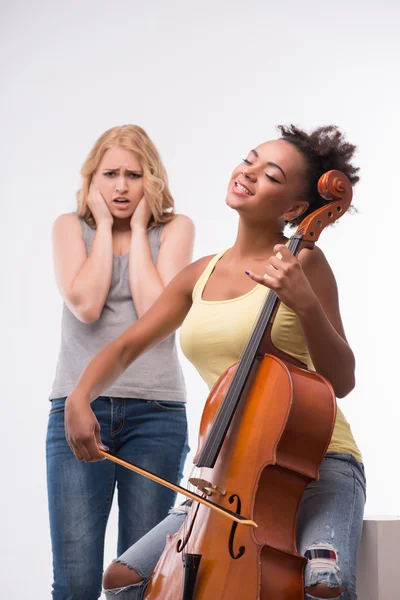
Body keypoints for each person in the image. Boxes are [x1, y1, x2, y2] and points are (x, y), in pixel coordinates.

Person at [65, 125, 365, 600]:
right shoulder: (197, 273)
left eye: (268, 174)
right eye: (249, 159)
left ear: (292, 209)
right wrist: (79, 397)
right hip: (226, 475)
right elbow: (125, 346)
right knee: (124, 581)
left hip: (316, 463)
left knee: (321, 585)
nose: (247, 172)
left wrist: (305, 303)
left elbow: (342, 379)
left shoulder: (304, 262)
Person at [47, 124, 195, 600]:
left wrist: (135, 232)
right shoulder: (71, 228)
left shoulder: (175, 229)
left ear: (151, 179)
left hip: (156, 414)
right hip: (78, 408)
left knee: (142, 580)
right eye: (110, 173)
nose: (122, 186)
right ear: (93, 179)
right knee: (75, 581)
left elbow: (159, 313)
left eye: (134, 174)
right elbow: (86, 304)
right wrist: (107, 227)